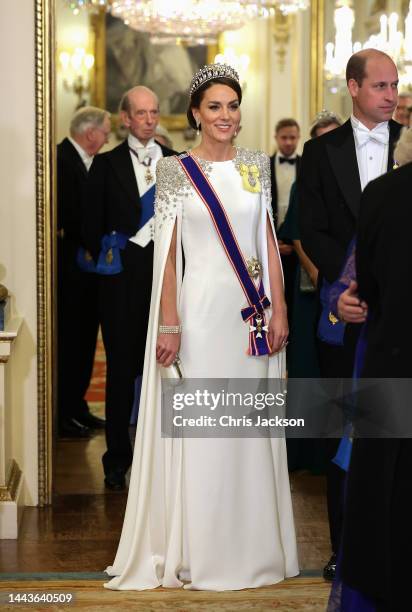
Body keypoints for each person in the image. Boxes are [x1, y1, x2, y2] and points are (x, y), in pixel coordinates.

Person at [104, 64, 299, 591]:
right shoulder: (174, 172)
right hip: (199, 317)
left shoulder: (257, 165)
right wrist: (169, 324)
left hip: (251, 318)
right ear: (195, 113)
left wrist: (280, 309)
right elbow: (167, 258)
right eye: (214, 107)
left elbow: (268, 243)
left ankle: (253, 545)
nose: (226, 116)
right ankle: (199, 548)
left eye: (233, 106)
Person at [298, 49, 401, 581]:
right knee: (342, 435)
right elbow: (306, 227)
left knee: (394, 434)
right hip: (343, 313)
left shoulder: (408, 146)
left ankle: (393, 547)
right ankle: (344, 549)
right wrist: (336, 288)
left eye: (395, 85)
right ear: (353, 87)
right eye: (381, 86)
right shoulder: (321, 154)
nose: (391, 95)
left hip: (400, 320)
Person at [329, 128, 412, 612]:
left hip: (390, 356)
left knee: (384, 483)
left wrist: (352, 303)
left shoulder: (380, 194)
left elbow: (365, 284)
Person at [83, 86, 175, 491]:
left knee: (168, 367)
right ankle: (117, 458)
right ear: (125, 119)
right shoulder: (104, 165)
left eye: (154, 112)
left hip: (168, 277)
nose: (149, 119)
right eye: (141, 113)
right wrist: (112, 245)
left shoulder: (176, 163)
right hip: (121, 282)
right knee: (121, 372)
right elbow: (89, 222)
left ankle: (166, 456)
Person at [279, 111, 342, 473]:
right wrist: (319, 275)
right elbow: (297, 234)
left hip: (347, 289)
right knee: (306, 369)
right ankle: (304, 453)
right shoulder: (304, 182)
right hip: (310, 291)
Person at [57, 106, 111, 438]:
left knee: (85, 342)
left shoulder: (85, 161)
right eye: (105, 132)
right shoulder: (61, 160)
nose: (107, 138)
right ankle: (64, 413)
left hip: (87, 273)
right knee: (71, 344)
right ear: (90, 133)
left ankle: (78, 407)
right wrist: (99, 242)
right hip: (71, 273)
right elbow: (71, 216)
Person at [270, 118, 301, 327]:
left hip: (299, 243)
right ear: (276, 138)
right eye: (284, 138)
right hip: (271, 240)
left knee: (295, 297)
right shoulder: (263, 165)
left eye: (292, 137)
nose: (288, 142)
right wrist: (272, 241)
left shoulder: (308, 165)